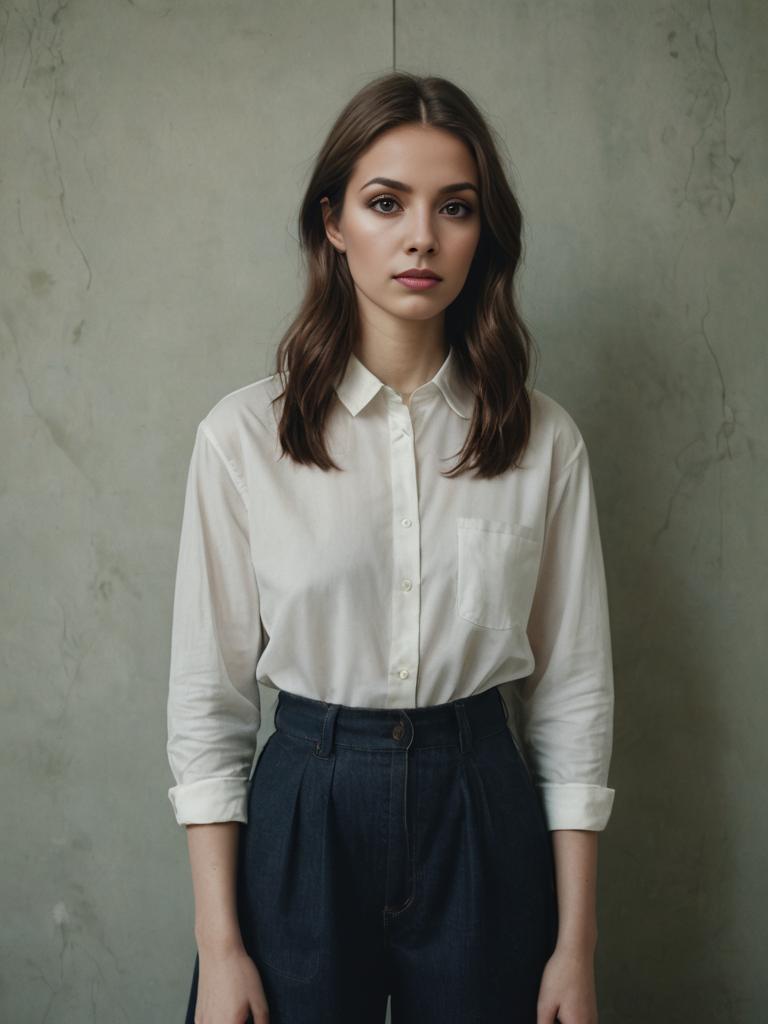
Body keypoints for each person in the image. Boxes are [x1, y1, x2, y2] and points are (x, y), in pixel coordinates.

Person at [166, 71, 615, 1024]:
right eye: (386, 203)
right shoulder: (242, 436)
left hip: (480, 807)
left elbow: (573, 696)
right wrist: (220, 948)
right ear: (333, 223)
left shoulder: (544, 441)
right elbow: (208, 704)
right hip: (304, 806)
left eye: (455, 208)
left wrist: (575, 949)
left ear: (483, 231)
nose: (421, 237)